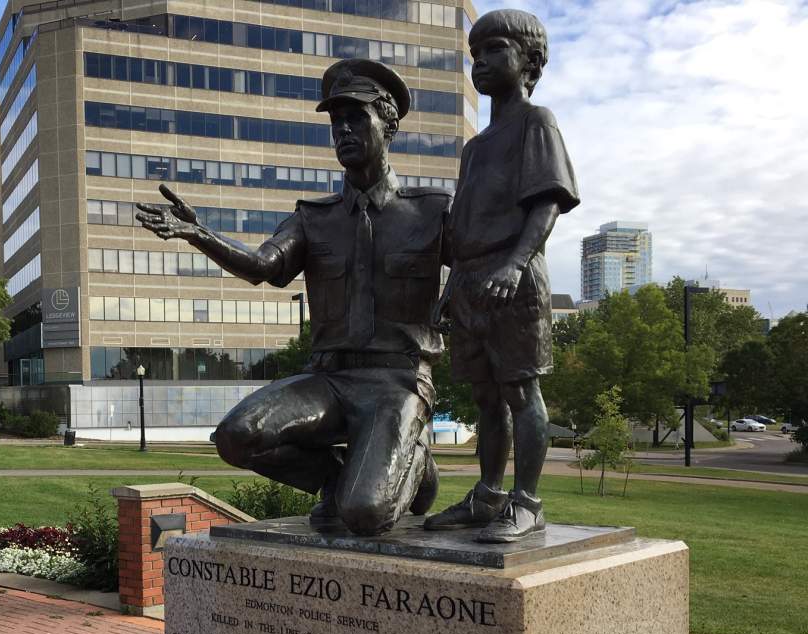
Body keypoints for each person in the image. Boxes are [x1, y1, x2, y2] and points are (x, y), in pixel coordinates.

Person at [136, 59, 449, 536]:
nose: (343, 130)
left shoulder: (431, 212)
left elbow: (479, 263)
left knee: (364, 515)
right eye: (335, 122)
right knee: (236, 438)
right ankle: (339, 478)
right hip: (328, 378)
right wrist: (199, 235)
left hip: (397, 380)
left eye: (356, 118)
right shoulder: (312, 217)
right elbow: (264, 266)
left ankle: (413, 460)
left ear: (389, 124)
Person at [424, 9, 579, 543]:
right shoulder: (475, 148)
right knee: (486, 397)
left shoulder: (537, 122)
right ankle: (488, 496)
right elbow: (463, 225)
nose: (481, 62)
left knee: (519, 389)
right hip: (470, 279)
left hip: (514, 275)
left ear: (529, 60)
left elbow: (547, 204)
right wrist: (450, 290)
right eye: (475, 54)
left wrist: (515, 263)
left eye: (494, 50)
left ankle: (528, 502)